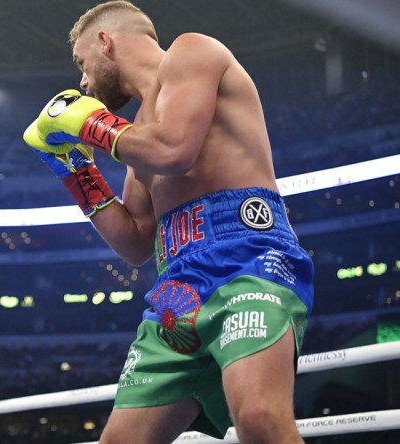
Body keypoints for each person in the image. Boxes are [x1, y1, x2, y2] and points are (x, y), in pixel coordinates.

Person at [24, 2, 314, 443]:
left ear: (106, 42)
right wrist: (75, 171)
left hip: (249, 261)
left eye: (82, 64)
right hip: (177, 287)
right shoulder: (138, 130)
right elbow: (137, 241)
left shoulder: (193, 51)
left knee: (258, 418)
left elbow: (175, 151)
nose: (82, 82)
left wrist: (91, 124)